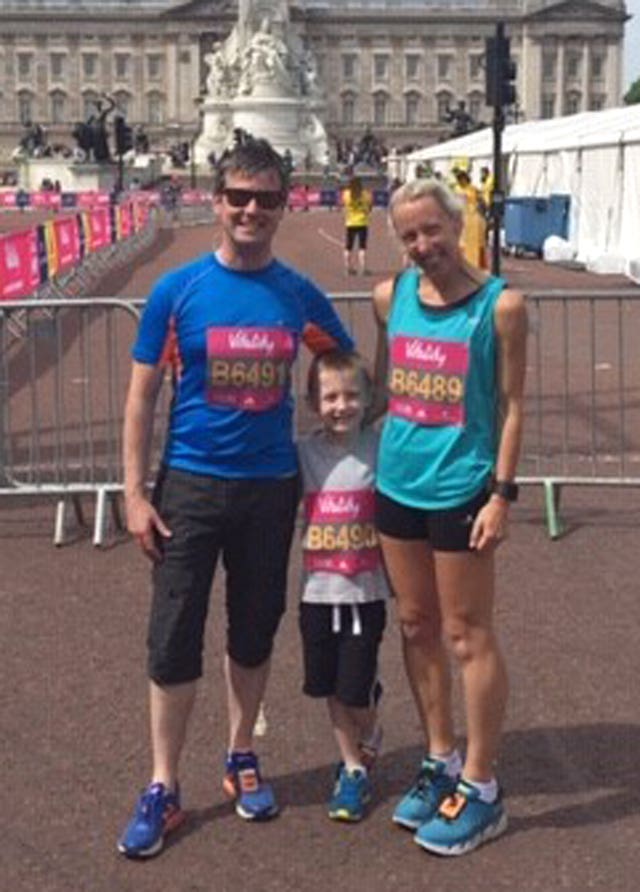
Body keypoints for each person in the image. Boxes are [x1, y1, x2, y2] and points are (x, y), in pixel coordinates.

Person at [117, 138, 354, 859]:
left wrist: (332, 420)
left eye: (267, 199)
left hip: (268, 485)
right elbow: (141, 396)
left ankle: (240, 751)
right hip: (189, 482)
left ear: (283, 205)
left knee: (254, 629)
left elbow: (340, 363)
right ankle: (163, 782)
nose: (252, 209)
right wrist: (132, 492)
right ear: (216, 201)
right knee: (174, 635)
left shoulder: (296, 293)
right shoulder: (177, 290)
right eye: (239, 197)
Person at [371, 178, 527, 855]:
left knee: (467, 634)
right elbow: (384, 385)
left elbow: (515, 404)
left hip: (462, 488)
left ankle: (483, 783)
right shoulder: (390, 297)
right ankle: (440, 756)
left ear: (457, 224)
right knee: (415, 624)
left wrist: (502, 493)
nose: (422, 245)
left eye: (432, 230)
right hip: (398, 483)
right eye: (409, 235)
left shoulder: (502, 306)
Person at [298, 350, 389, 823]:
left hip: (365, 592)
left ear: (369, 399)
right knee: (329, 685)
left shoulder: (379, 448)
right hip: (316, 593)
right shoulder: (304, 453)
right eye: (330, 396)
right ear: (313, 402)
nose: (341, 406)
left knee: (354, 690)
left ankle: (369, 725)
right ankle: (352, 768)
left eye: (352, 395)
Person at [453, 168, 487, 269]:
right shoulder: (456, 189)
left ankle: (478, 265)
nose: (460, 181)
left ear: (466, 179)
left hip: (473, 218)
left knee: (477, 243)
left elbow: (482, 202)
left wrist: (480, 210)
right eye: (458, 179)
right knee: (461, 242)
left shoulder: (473, 189)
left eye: (462, 179)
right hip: (461, 218)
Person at [341, 175, 373, 276]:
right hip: (362, 222)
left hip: (350, 222)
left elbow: (344, 205)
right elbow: (370, 206)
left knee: (348, 246)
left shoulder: (346, 194)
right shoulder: (365, 195)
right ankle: (363, 268)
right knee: (362, 247)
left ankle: (347, 268)